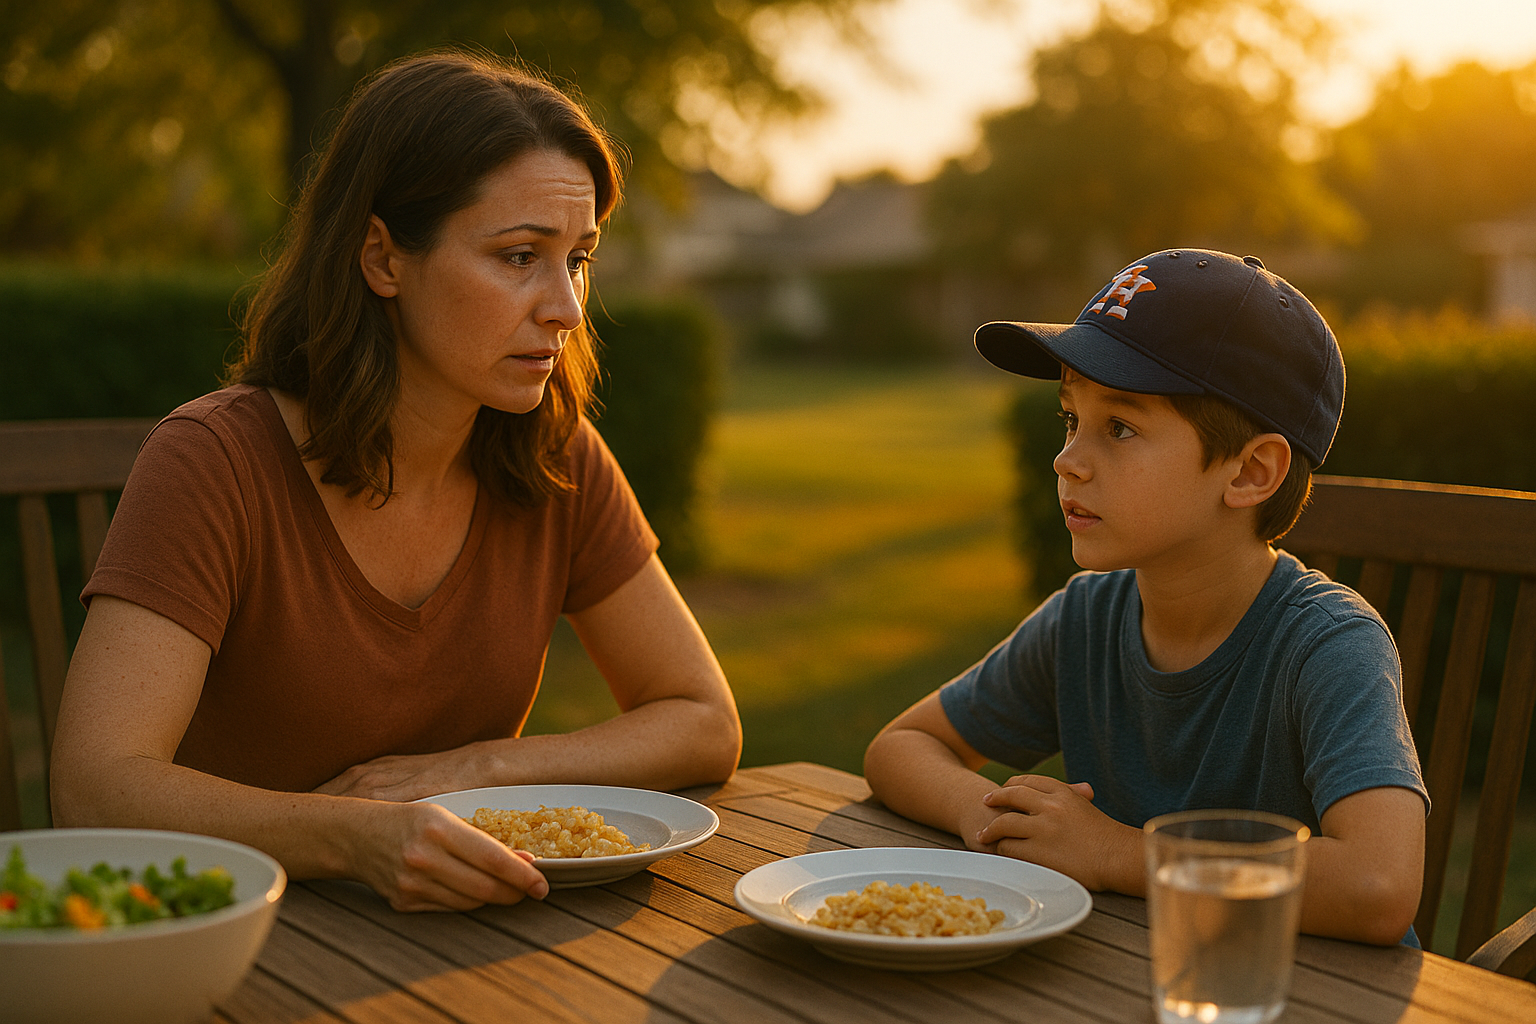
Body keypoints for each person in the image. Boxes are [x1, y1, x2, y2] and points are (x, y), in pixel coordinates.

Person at [49, 51, 742, 913]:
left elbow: (702, 720)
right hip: (217, 935)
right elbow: (94, 785)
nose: (565, 306)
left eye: (579, 257)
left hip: (465, 934)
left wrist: (478, 767)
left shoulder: (554, 455)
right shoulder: (213, 462)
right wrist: (354, 835)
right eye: (520, 255)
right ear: (382, 257)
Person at [863, 249, 1428, 945]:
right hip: (1134, 977)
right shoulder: (1085, 620)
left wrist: (1115, 853)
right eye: (1071, 418)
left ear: (1251, 472)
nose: (1066, 459)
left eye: (1120, 428)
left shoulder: (1327, 644)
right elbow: (902, 745)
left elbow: (1378, 886)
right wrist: (995, 813)